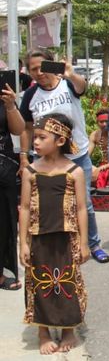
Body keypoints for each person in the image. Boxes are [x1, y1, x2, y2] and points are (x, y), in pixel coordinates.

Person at [19, 49, 109, 264]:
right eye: (33, 69)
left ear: (52, 64)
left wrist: (69, 73)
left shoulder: (67, 84)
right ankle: (53, 245)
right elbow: (27, 128)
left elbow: (82, 87)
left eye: (42, 67)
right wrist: (24, 156)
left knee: (84, 203)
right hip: (45, 160)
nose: (39, 73)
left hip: (76, 156)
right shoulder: (31, 95)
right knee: (46, 203)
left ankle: (92, 243)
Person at [18, 113, 89, 354]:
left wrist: (84, 243)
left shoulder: (74, 172)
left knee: (67, 283)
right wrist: (23, 244)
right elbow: (25, 207)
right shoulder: (30, 172)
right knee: (39, 285)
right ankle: (43, 331)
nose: (35, 142)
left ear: (60, 141)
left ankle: (68, 328)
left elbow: (81, 208)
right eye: (34, 138)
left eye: (41, 137)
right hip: (38, 237)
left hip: (66, 237)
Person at [0, 82, 24, 291]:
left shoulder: (3, 97)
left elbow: (19, 129)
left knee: (4, 222)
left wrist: (10, 106)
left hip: (3, 168)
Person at [88, 108, 109, 189]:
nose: (104, 124)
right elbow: (86, 156)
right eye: (101, 122)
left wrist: (100, 169)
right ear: (97, 123)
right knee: (85, 170)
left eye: (107, 121)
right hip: (102, 166)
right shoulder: (94, 135)